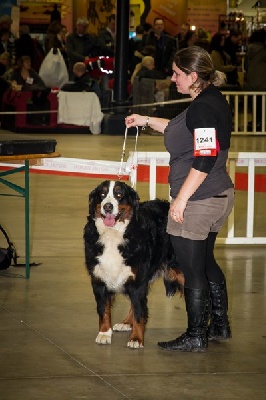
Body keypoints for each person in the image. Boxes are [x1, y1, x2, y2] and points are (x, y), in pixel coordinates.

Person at [125, 45, 234, 352]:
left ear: (193, 75)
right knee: (206, 261)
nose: (172, 79)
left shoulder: (202, 107)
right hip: (219, 195)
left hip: (201, 200)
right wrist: (144, 120)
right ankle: (220, 326)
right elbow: (180, 130)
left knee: (192, 268)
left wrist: (181, 200)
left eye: (176, 73)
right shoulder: (210, 99)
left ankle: (197, 335)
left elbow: (205, 156)